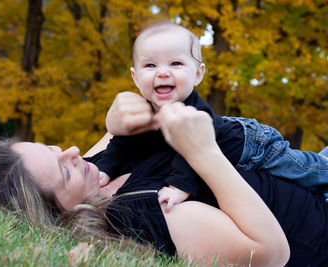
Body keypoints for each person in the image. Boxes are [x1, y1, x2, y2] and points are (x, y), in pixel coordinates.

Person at [0, 103, 327, 265]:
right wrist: (203, 154)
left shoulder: (94, 176)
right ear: (59, 212)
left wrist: (117, 116)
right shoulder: (143, 212)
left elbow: (111, 135)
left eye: (52, 147)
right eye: (64, 169)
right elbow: (270, 254)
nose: (72, 151)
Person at [96, 21, 328, 209]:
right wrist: (105, 170)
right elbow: (121, 142)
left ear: (198, 74)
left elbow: (190, 153)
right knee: (292, 186)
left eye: (176, 63)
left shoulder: (195, 111)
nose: (163, 72)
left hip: (252, 146)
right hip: (230, 158)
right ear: (135, 78)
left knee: (302, 170)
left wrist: (178, 187)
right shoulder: (139, 111)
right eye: (151, 66)